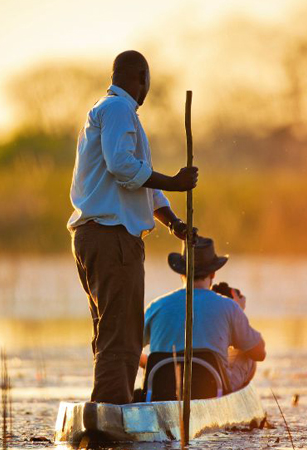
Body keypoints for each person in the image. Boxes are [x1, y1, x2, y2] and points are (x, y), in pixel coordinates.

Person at [68, 50, 198, 404]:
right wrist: (176, 181)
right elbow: (123, 167)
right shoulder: (118, 109)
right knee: (122, 336)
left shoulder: (111, 111)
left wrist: (173, 221)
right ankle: (112, 412)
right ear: (142, 78)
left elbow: (142, 183)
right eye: (148, 82)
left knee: (110, 330)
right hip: (112, 239)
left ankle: (110, 407)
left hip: (98, 237)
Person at [143, 237, 266, 392]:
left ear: (181, 272)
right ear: (213, 274)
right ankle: (229, 403)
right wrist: (238, 310)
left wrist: (149, 364)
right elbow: (259, 353)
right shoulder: (229, 307)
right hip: (212, 390)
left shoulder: (156, 306)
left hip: (162, 390)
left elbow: (129, 350)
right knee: (246, 355)